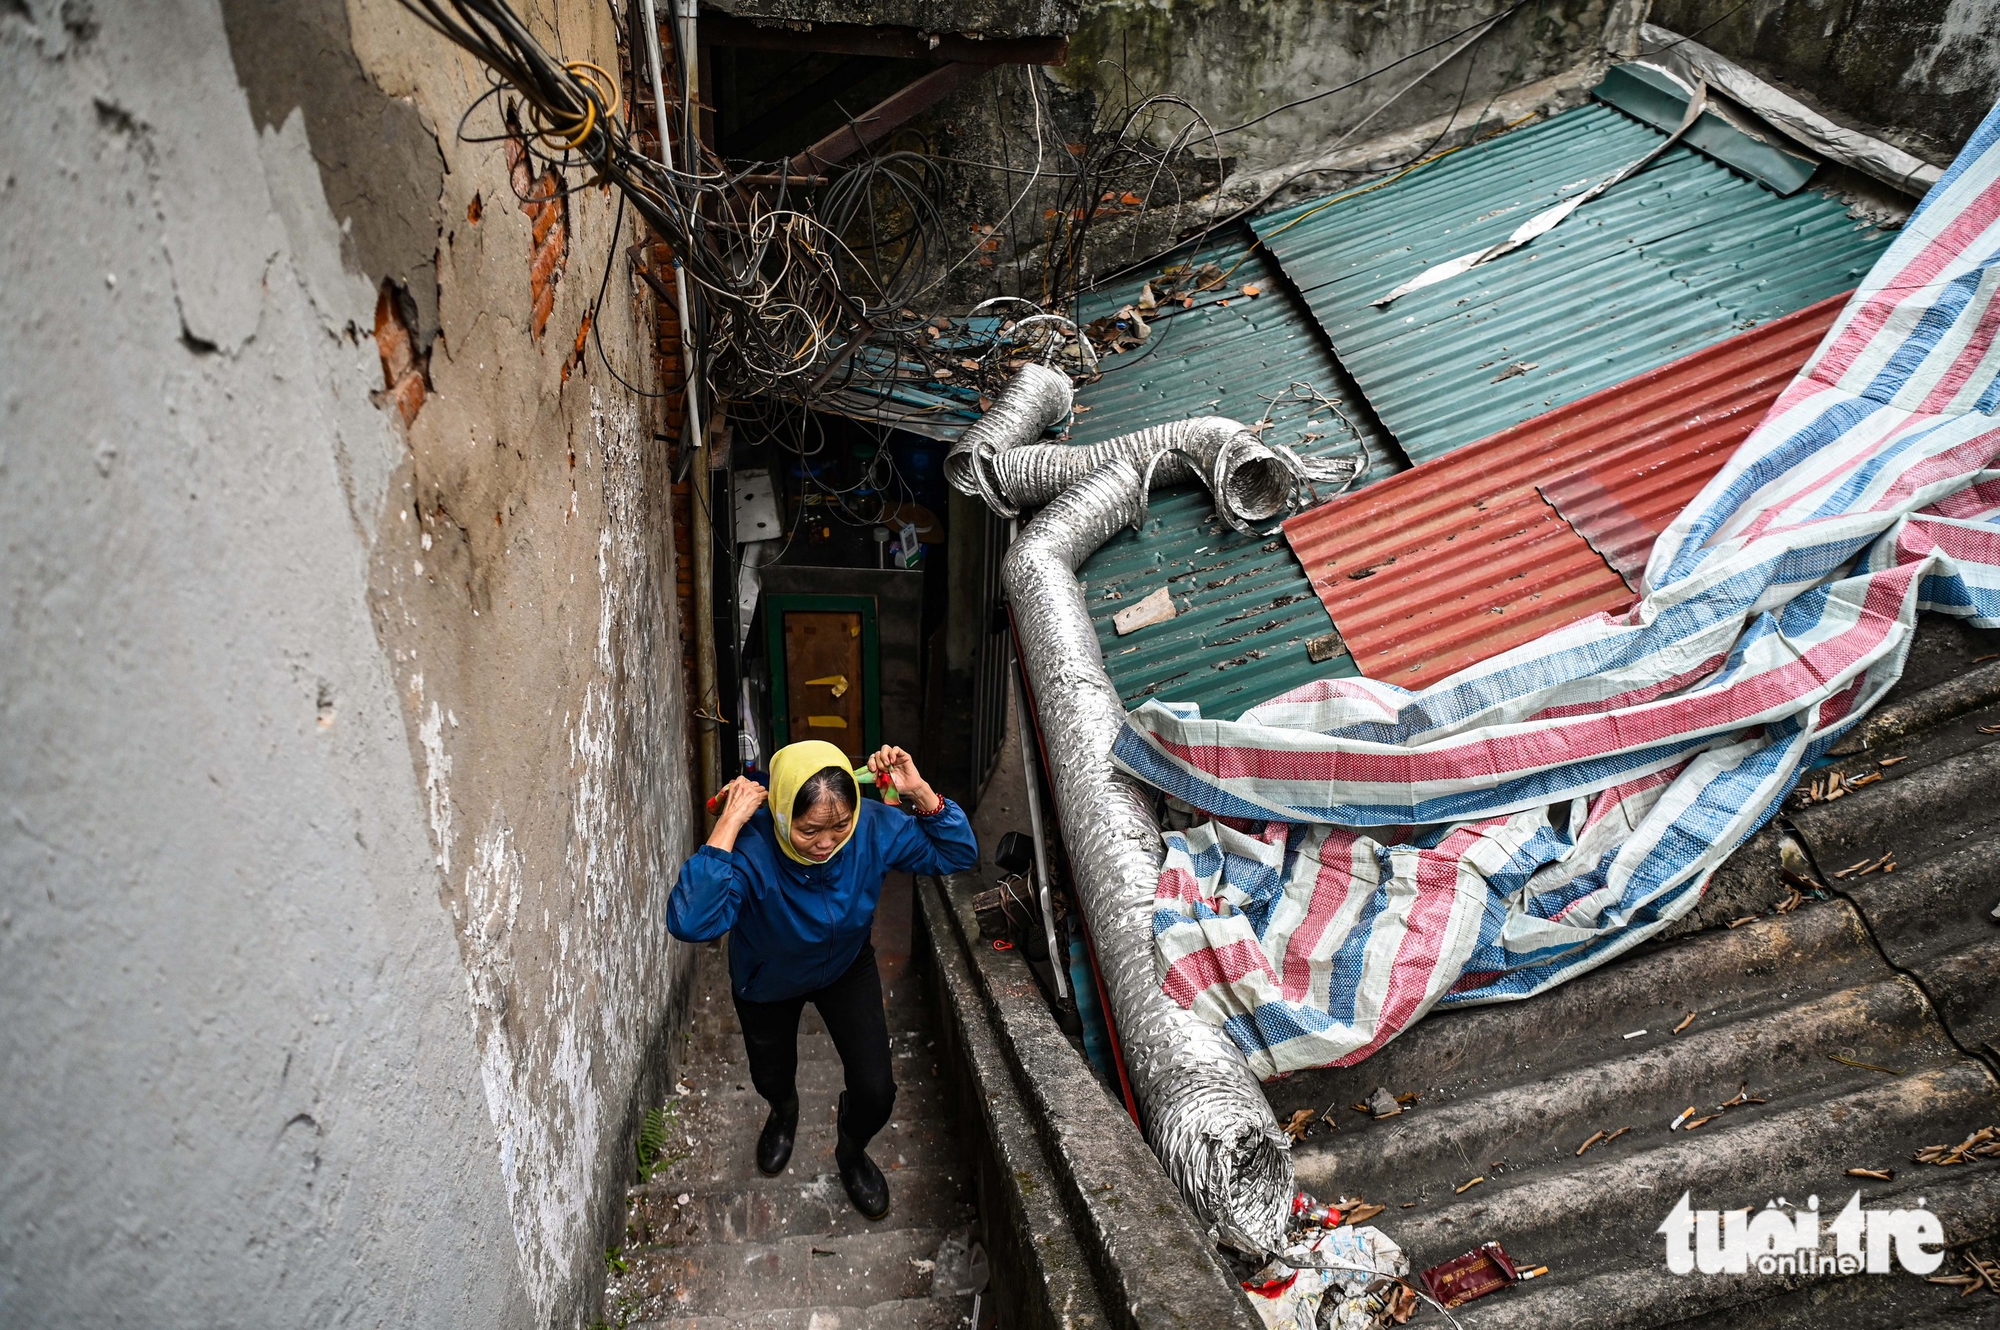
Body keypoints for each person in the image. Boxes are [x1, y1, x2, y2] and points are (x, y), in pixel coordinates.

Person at [668, 739, 978, 1219]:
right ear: (779, 813)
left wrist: (920, 793)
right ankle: (784, 1112)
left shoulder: (870, 827)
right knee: (771, 1076)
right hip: (768, 981)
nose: (827, 842)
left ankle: (851, 1151)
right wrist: (729, 822)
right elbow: (691, 921)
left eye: (840, 826)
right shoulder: (751, 847)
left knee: (876, 1093)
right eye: (809, 830)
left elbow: (956, 854)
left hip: (845, 968)